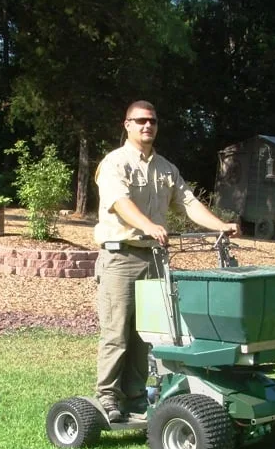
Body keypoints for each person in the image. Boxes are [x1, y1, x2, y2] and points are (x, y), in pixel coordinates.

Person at [93, 100, 239, 422]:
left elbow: (187, 203)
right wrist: (147, 225)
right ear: (127, 124)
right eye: (141, 121)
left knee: (146, 334)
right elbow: (119, 202)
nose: (148, 126)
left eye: (153, 121)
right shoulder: (114, 163)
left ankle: (133, 397)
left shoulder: (166, 169)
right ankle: (107, 397)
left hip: (155, 259)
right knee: (117, 332)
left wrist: (220, 225)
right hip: (121, 257)